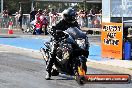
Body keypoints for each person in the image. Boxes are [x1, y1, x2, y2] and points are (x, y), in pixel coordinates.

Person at [45, 8, 80, 80]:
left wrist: (83, 34)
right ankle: (48, 71)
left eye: (74, 16)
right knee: (53, 52)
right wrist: (55, 34)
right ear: (67, 16)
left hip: (69, 40)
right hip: (58, 40)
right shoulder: (60, 22)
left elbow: (78, 31)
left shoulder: (74, 23)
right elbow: (51, 29)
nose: (73, 18)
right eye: (72, 16)